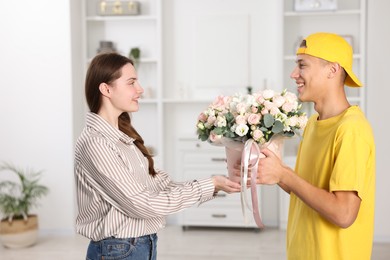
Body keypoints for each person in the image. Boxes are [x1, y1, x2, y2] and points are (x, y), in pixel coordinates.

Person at [74, 52, 241, 260]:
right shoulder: (96, 143)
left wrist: (215, 183)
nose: (140, 89)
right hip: (118, 249)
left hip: (137, 245)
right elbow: (142, 204)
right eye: (131, 82)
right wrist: (208, 185)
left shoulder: (122, 137)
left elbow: (158, 185)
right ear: (106, 89)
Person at [256, 32, 376, 259]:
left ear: (332, 70)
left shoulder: (352, 129)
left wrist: (284, 174)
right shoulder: (312, 124)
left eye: (302, 65)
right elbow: (309, 191)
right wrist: (273, 171)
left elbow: (344, 213)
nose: (294, 74)